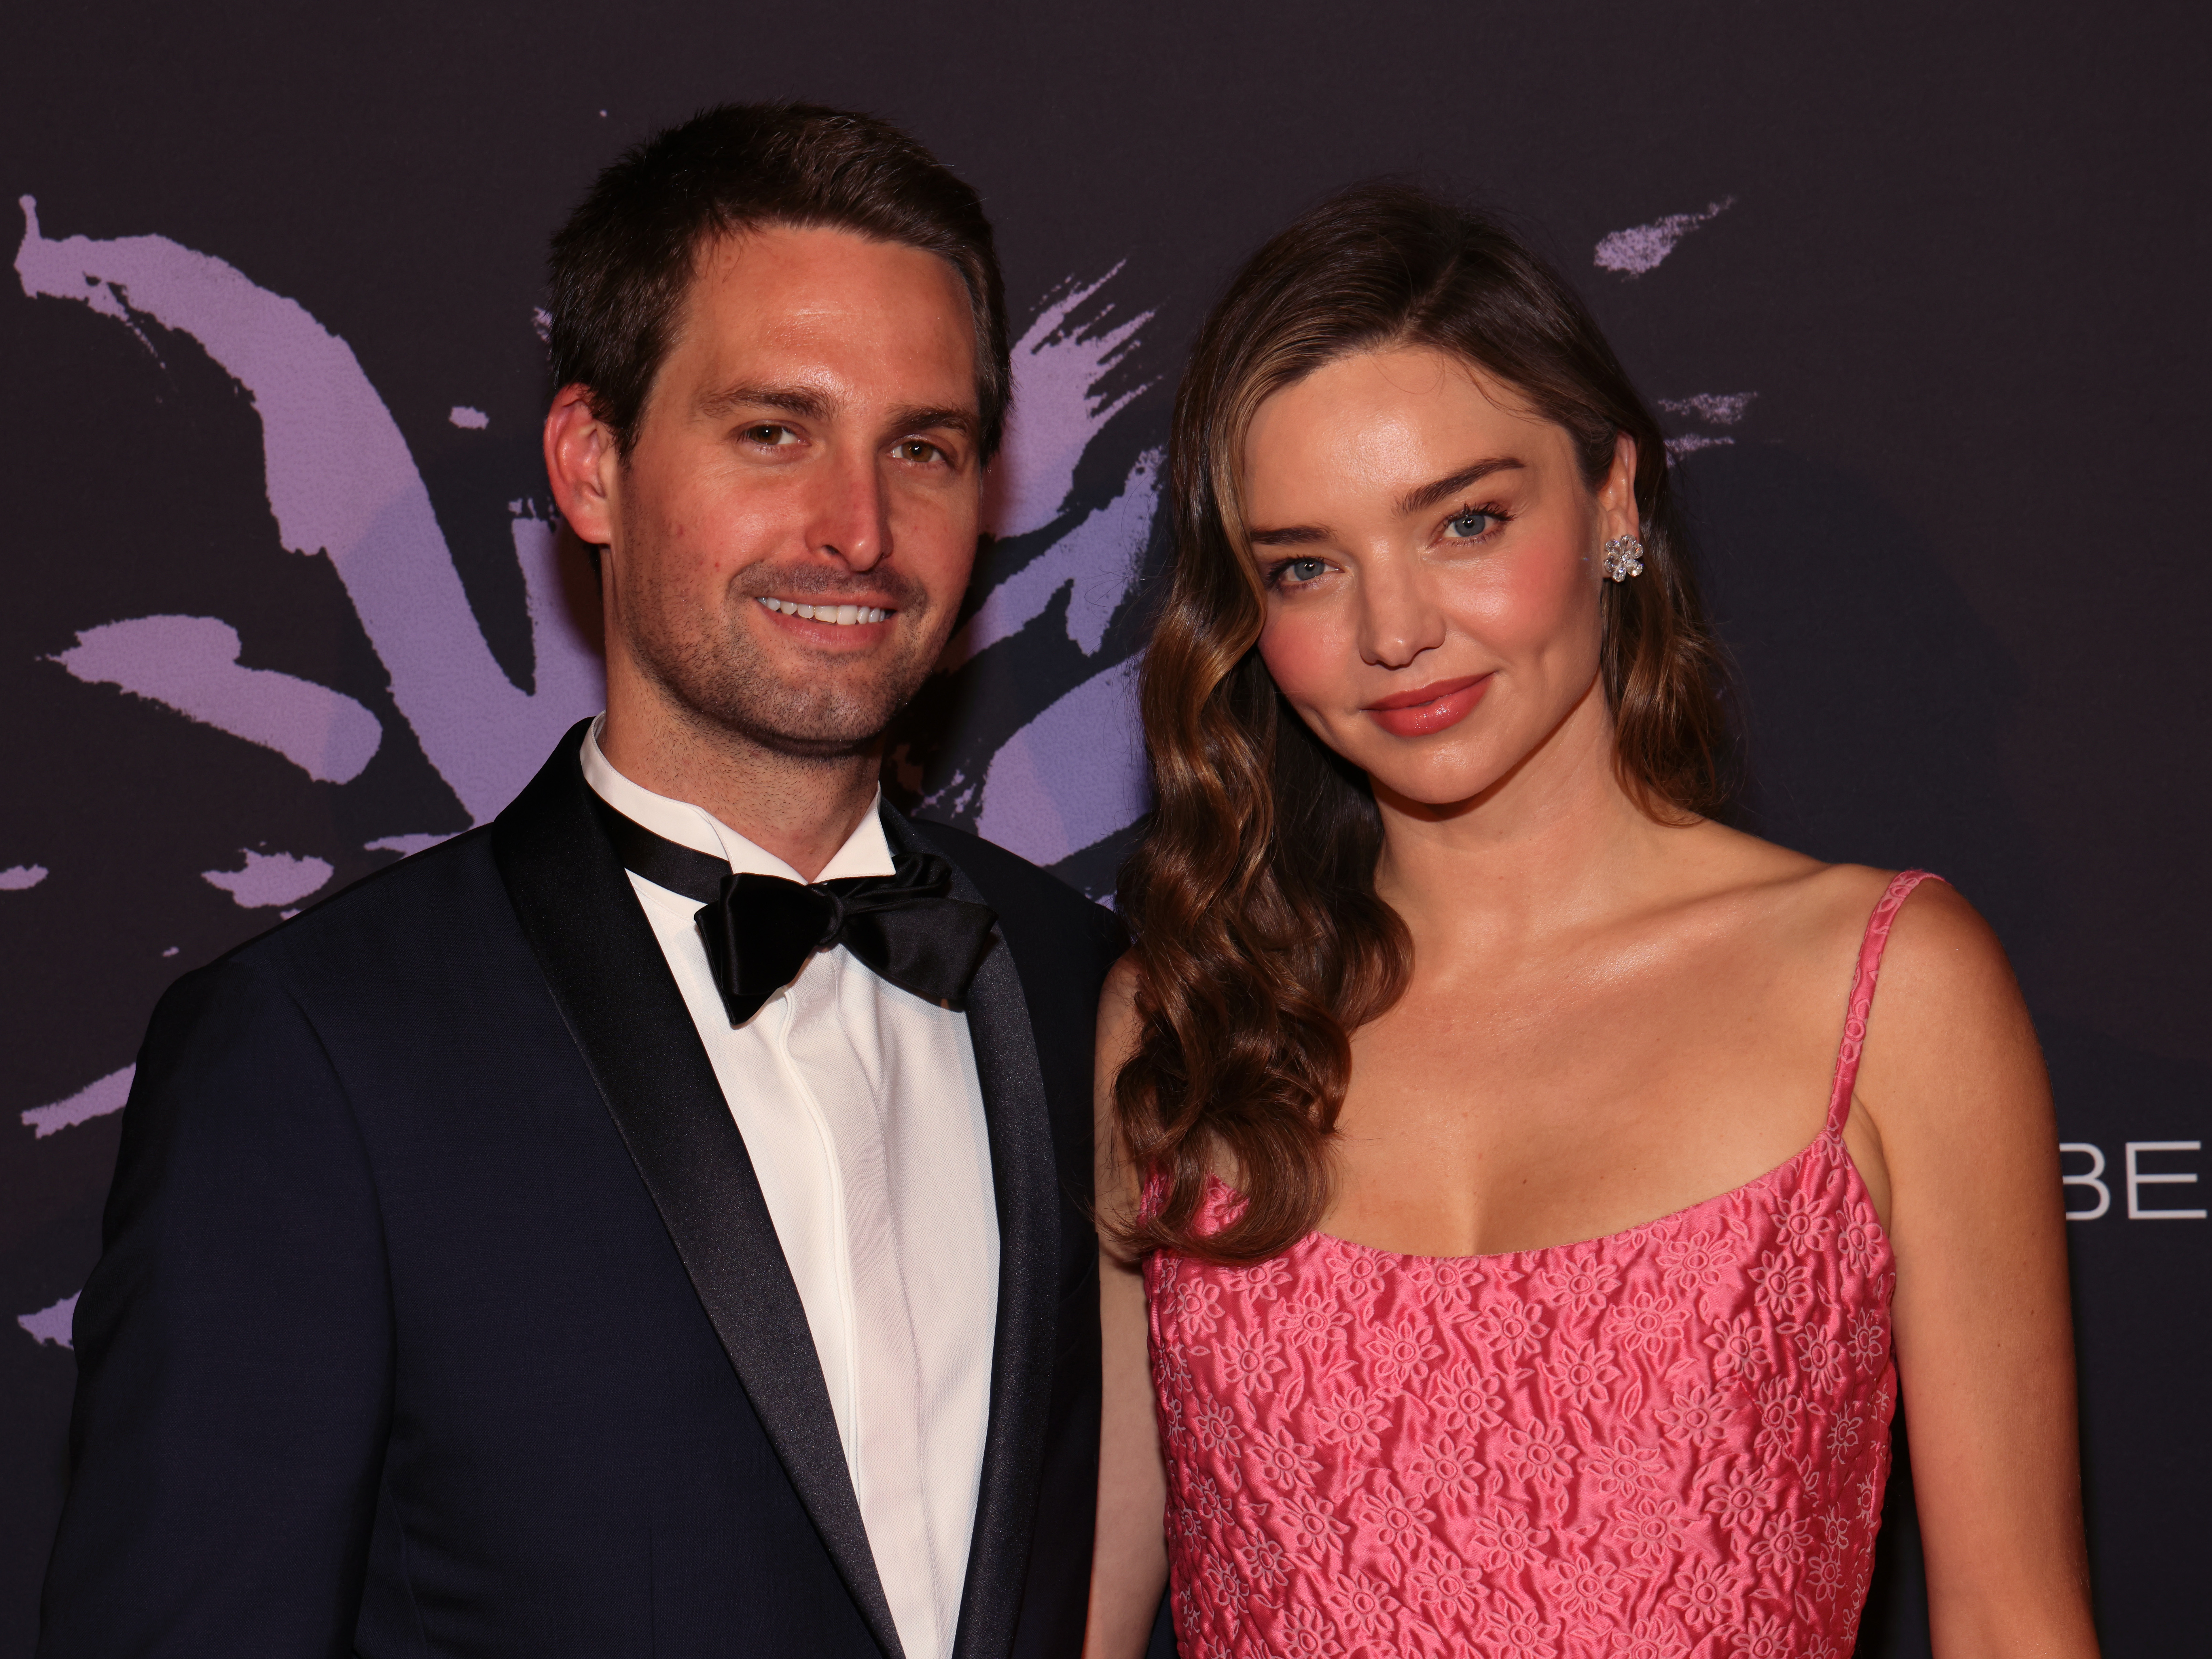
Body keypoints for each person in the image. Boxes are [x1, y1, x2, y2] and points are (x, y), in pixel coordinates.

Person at [40, 103, 1122, 1659]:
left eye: (925, 449)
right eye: (773, 431)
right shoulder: (316, 1060)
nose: (860, 529)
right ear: (591, 465)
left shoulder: (1093, 991)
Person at [1086, 184, 2098, 1659]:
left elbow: (2014, 1624)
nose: (1394, 630)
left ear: (1615, 500)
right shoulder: (1188, 1013)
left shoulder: (1885, 993)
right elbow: (1096, 1615)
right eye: (1307, 564)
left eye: (1466, 522)